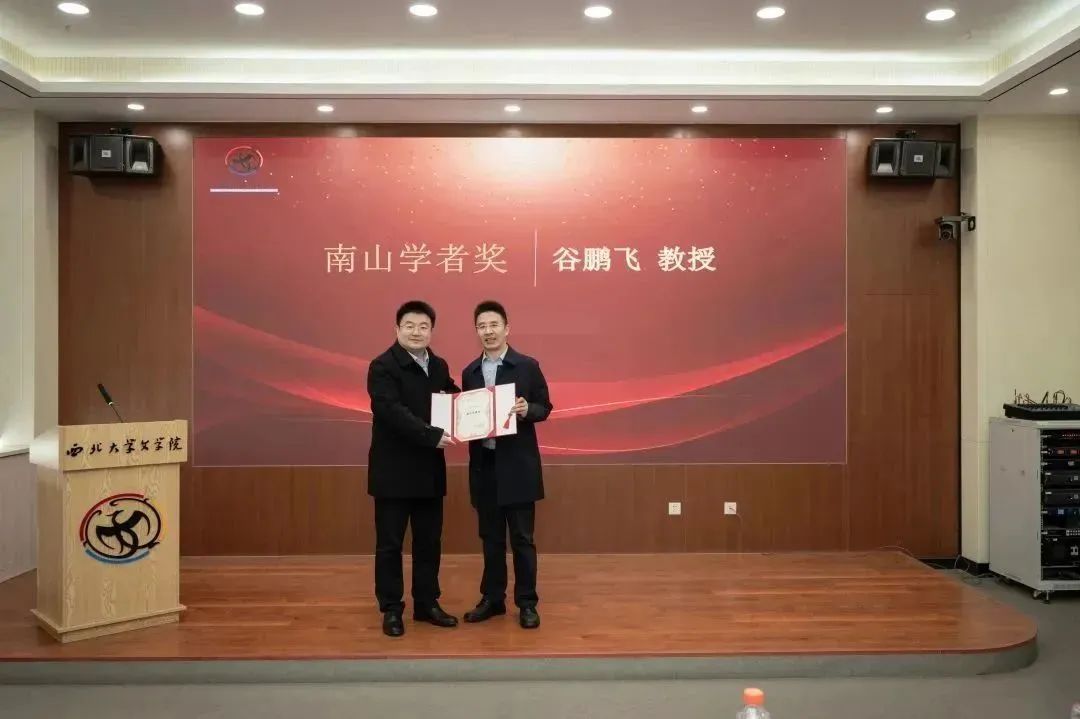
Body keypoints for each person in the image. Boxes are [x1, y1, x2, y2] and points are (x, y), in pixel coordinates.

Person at [367, 300, 460, 637]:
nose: (416, 332)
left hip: (429, 470)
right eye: (409, 326)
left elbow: (452, 398)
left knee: (428, 542)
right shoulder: (382, 366)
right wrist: (430, 434)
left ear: (431, 331)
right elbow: (390, 410)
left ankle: (426, 603)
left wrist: (481, 409)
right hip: (392, 471)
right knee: (390, 545)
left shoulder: (438, 365)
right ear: (397, 329)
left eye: (423, 326)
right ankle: (392, 609)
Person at [460, 300, 552, 629]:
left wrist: (528, 410)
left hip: (518, 466)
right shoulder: (470, 372)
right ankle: (493, 599)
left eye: (494, 325)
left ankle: (527, 603)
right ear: (477, 331)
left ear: (506, 328)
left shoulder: (527, 366)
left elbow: (545, 407)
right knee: (491, 539)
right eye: (481, 326)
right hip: (484, 466)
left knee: (522, 539)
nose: (488, 331)